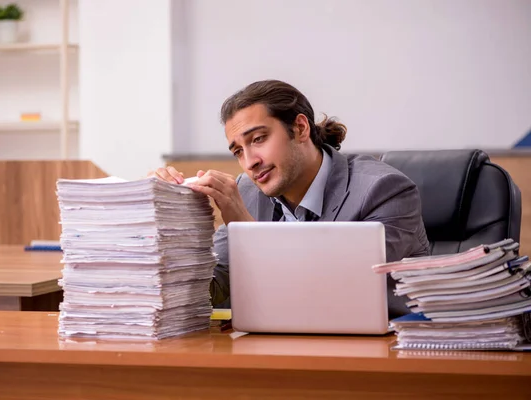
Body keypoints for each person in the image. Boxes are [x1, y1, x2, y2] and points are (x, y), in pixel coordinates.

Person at [149, 79, 430, 317]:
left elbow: (327, 292)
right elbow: (211, 290)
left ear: (300, 128)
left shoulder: (383, 190)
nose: (249, 162)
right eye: (238, 151)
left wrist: (246, 231)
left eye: (258, 139)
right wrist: (168, 220)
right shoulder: (247, 191)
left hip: (383, 357)